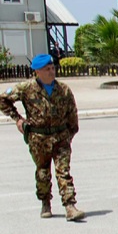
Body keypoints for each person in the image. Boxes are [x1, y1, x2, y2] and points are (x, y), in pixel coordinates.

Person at [0, 54, 84, 221]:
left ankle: (70, 206)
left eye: (52, 68)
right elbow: (3, 100)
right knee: (43, 173)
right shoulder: (26, 88)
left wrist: (70, 133)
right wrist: (18, 119)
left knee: (64, 171)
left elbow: (72, 112)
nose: (52, 71)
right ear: (37, 72)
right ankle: (45, 202)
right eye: (47, 69)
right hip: (38, 138)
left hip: (60, 137)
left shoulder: (63, 89)